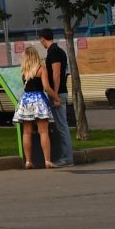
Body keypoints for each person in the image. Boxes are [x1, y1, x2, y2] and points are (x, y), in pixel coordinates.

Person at [13, 44, 60, 169]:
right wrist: (56, 97)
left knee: (26, 133)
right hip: (38, 100)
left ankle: (28, 161)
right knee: (43, 132)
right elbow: (46, 87)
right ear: (36, 56)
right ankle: (47, 161)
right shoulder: (41, 69)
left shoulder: (24, 70)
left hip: (25, 100)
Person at [39, 30, 74, 167]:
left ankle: (67, 158)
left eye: (40, 40)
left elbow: (57, 74)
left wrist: (55, 94)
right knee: (61, 126)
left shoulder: (53, 51)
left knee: (62, 126)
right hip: (59, 92)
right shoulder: (57, 50)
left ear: (42, 39)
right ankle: (66, 156)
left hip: (58, 93)